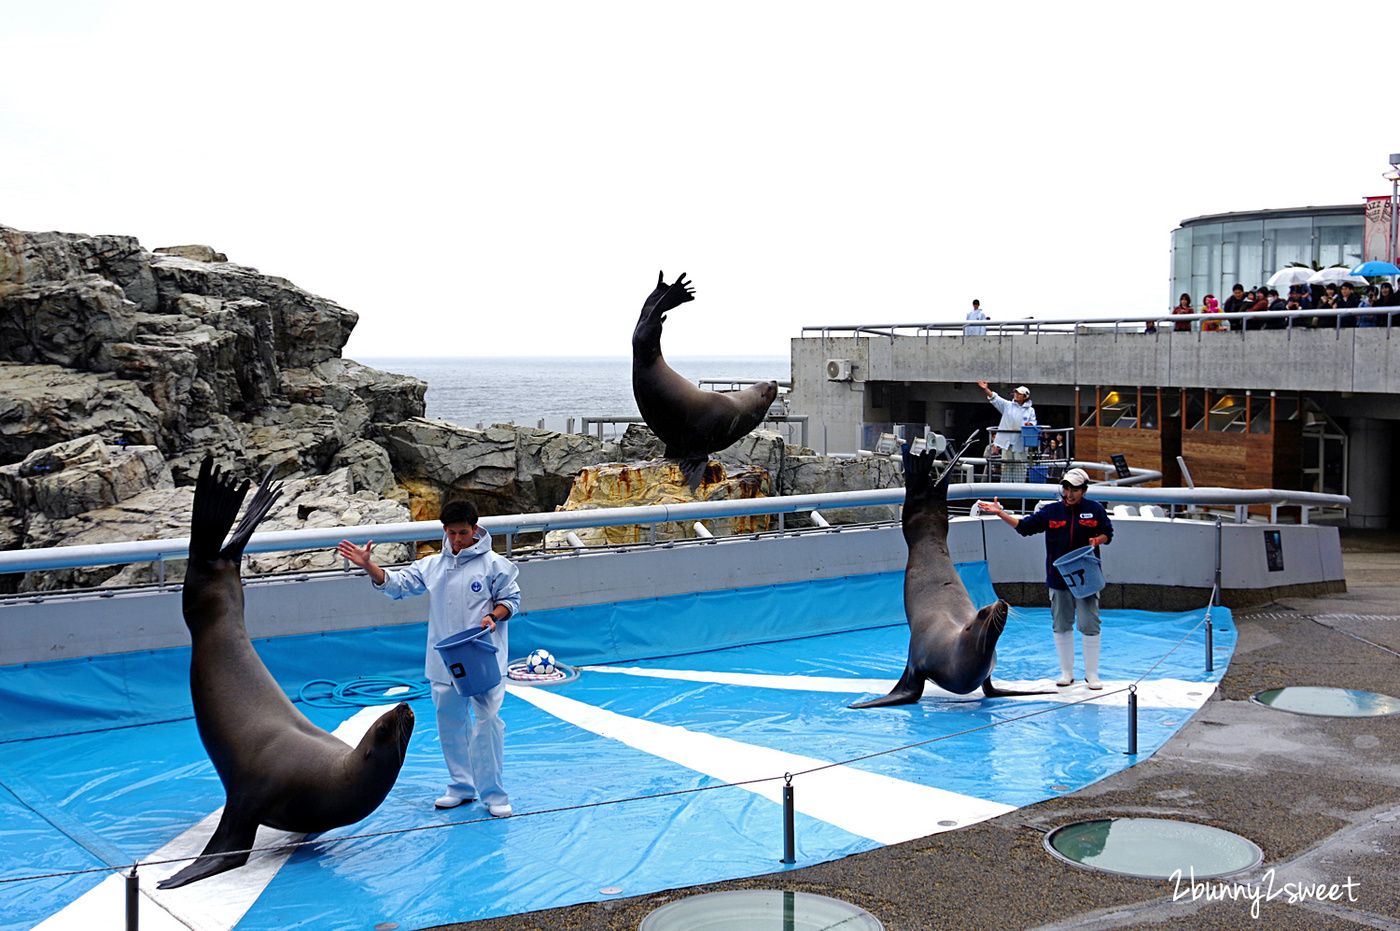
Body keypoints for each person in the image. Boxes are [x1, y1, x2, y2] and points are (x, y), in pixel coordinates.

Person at [337, 499, 521, 817]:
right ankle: (462, 786)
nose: (457, 540)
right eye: (451, 533)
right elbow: (398, 584)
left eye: (463, 532)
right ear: (444, 531)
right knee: (450, 723)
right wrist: (369, 565)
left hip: (482, 659)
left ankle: (493, 793)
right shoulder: (433, 566)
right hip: (445, 662)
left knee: (488, 722)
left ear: (475, 529)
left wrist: (494, 615)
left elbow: (511, 599)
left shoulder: (495, 565)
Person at [975, 468, 1113, 689]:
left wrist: (1098, 540)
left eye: (1075, 489)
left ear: (1084, 490)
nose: (1069, 494)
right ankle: (1066, 672)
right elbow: (1025, 527)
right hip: (1058, 577)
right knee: (1061, 623)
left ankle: (1091, 674)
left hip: (1086, 577)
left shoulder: (1095, 510)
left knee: (1089, 623)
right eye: (1066, 488)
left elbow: (1108, 532)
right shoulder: (1052, 512)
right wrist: (1001, 513)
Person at [977, 381, 1036, 479]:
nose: (1016, 395)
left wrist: (1030, 424)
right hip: (1006, 443)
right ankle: (1005, 490)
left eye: (1019, 393)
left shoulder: (1030, 410)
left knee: (1020, 469)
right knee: (1006, 469)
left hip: (1020, 444)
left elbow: (1033, 423)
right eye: (1016, 393)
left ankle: (1019, 490)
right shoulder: (1008, 405)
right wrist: (986, 389)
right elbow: (995, 398)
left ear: (1025, 397)